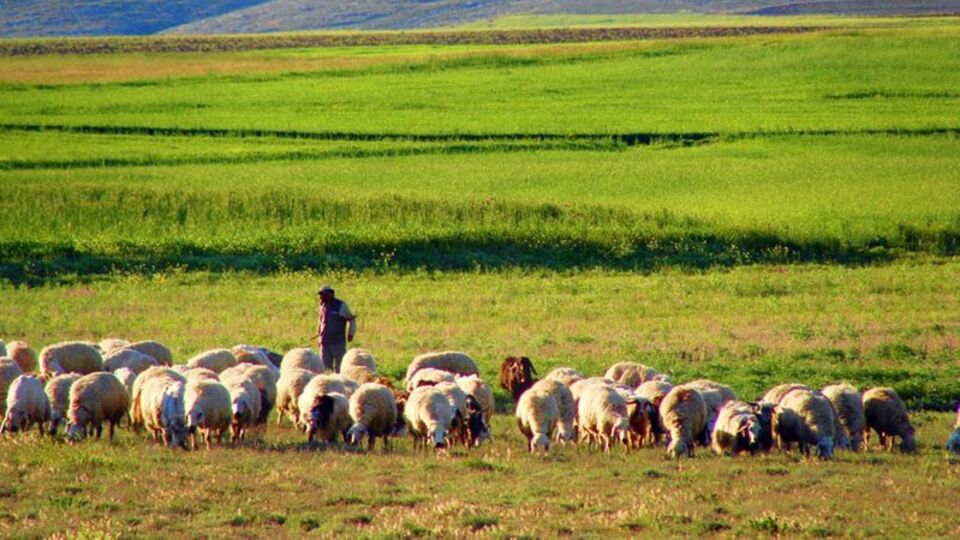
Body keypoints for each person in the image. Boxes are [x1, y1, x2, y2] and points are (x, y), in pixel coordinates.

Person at [316, 285, 356, 372]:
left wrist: (351, 333)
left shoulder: (341, 305)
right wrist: (319, 337)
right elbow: (320, 323)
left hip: (338, 343)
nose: (321, 297)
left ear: (331, 294)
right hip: (324, 343)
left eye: (323, 294)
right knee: (325, 369)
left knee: (340, 368)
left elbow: (351, 319)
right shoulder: (322, 306)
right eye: (320, 295)